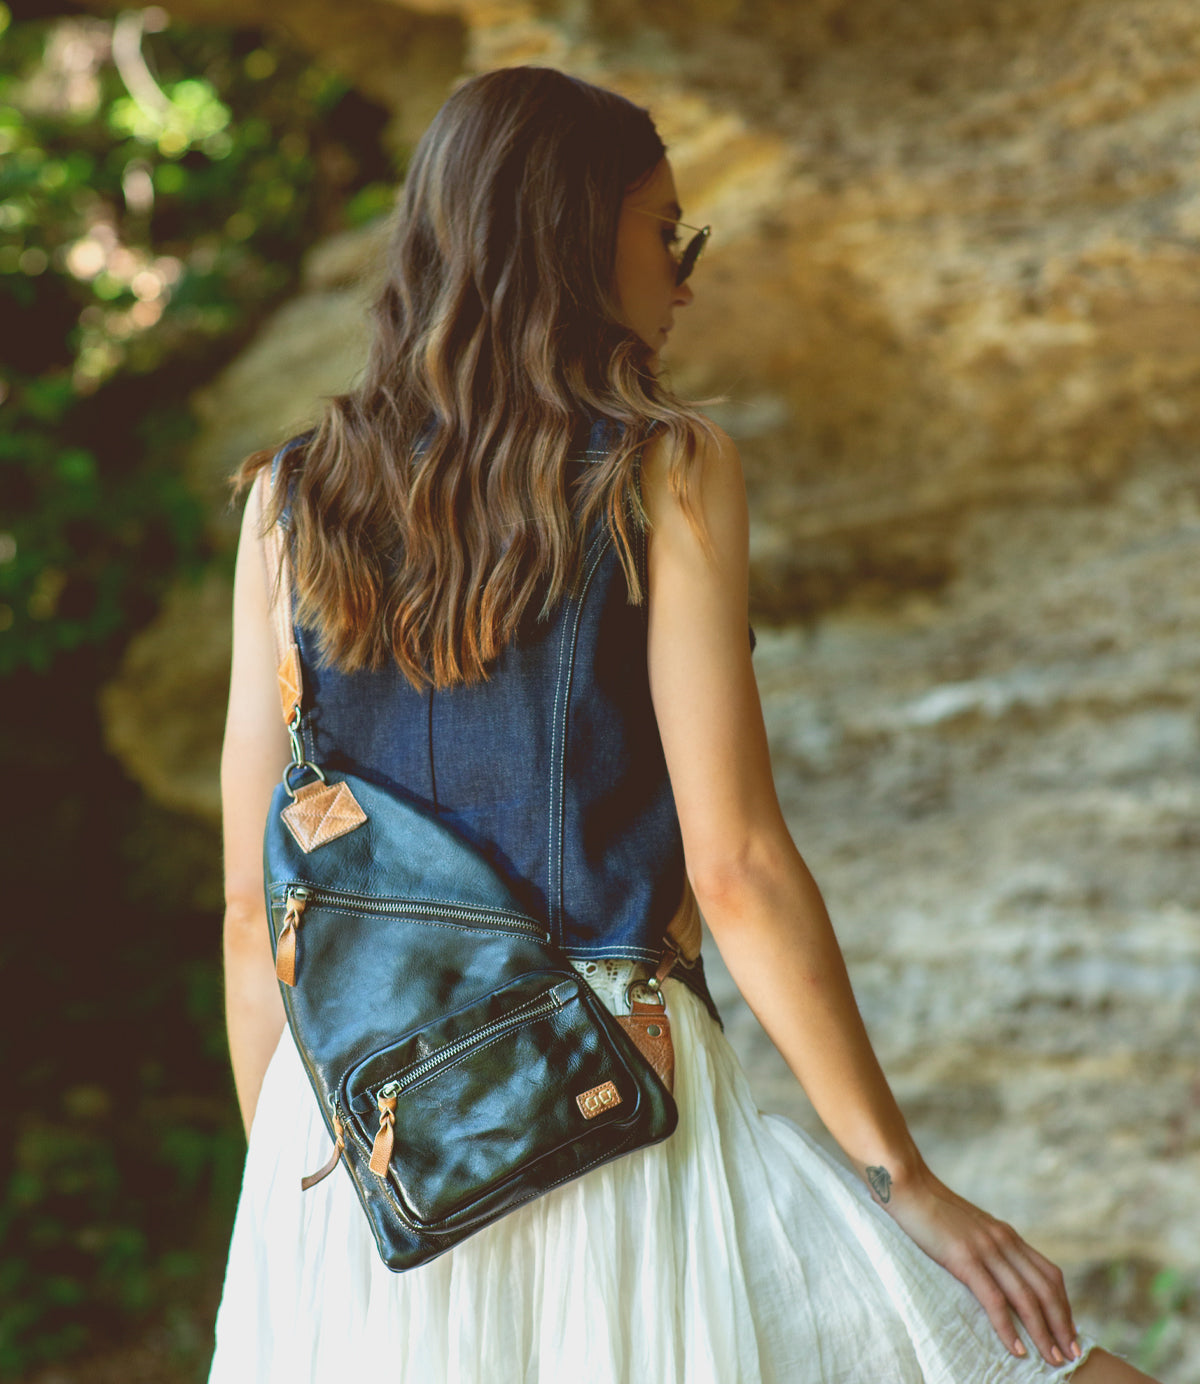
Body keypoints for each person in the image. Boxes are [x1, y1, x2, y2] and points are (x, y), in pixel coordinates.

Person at [212, 65, 1158, 1384]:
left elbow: (259, 915)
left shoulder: (285, 506)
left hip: (354, 1161)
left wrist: (304, 1206)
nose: (685, 274)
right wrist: (904, 1180)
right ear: (569, 235)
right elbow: (738, 867)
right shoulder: (664, 470)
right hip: (613, 1099)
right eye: (666, 233)